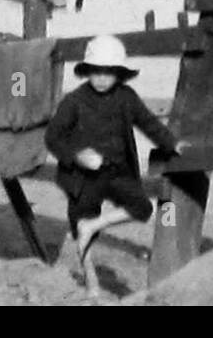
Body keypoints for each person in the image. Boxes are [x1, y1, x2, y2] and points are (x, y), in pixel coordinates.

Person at [44, 37, 185, 295]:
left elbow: (148, 123)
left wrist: (170, 143)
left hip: (118, 170)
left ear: (119, 73)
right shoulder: (74, 101)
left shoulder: (126, 97)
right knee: (80, 222)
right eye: (96, 71)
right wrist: (77, 155)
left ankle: (95, 225)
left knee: (142, 207)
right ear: (87, 71)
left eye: (108, 72)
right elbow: (53, 136)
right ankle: (91, 280)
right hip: (82, 176)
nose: (101, 78)